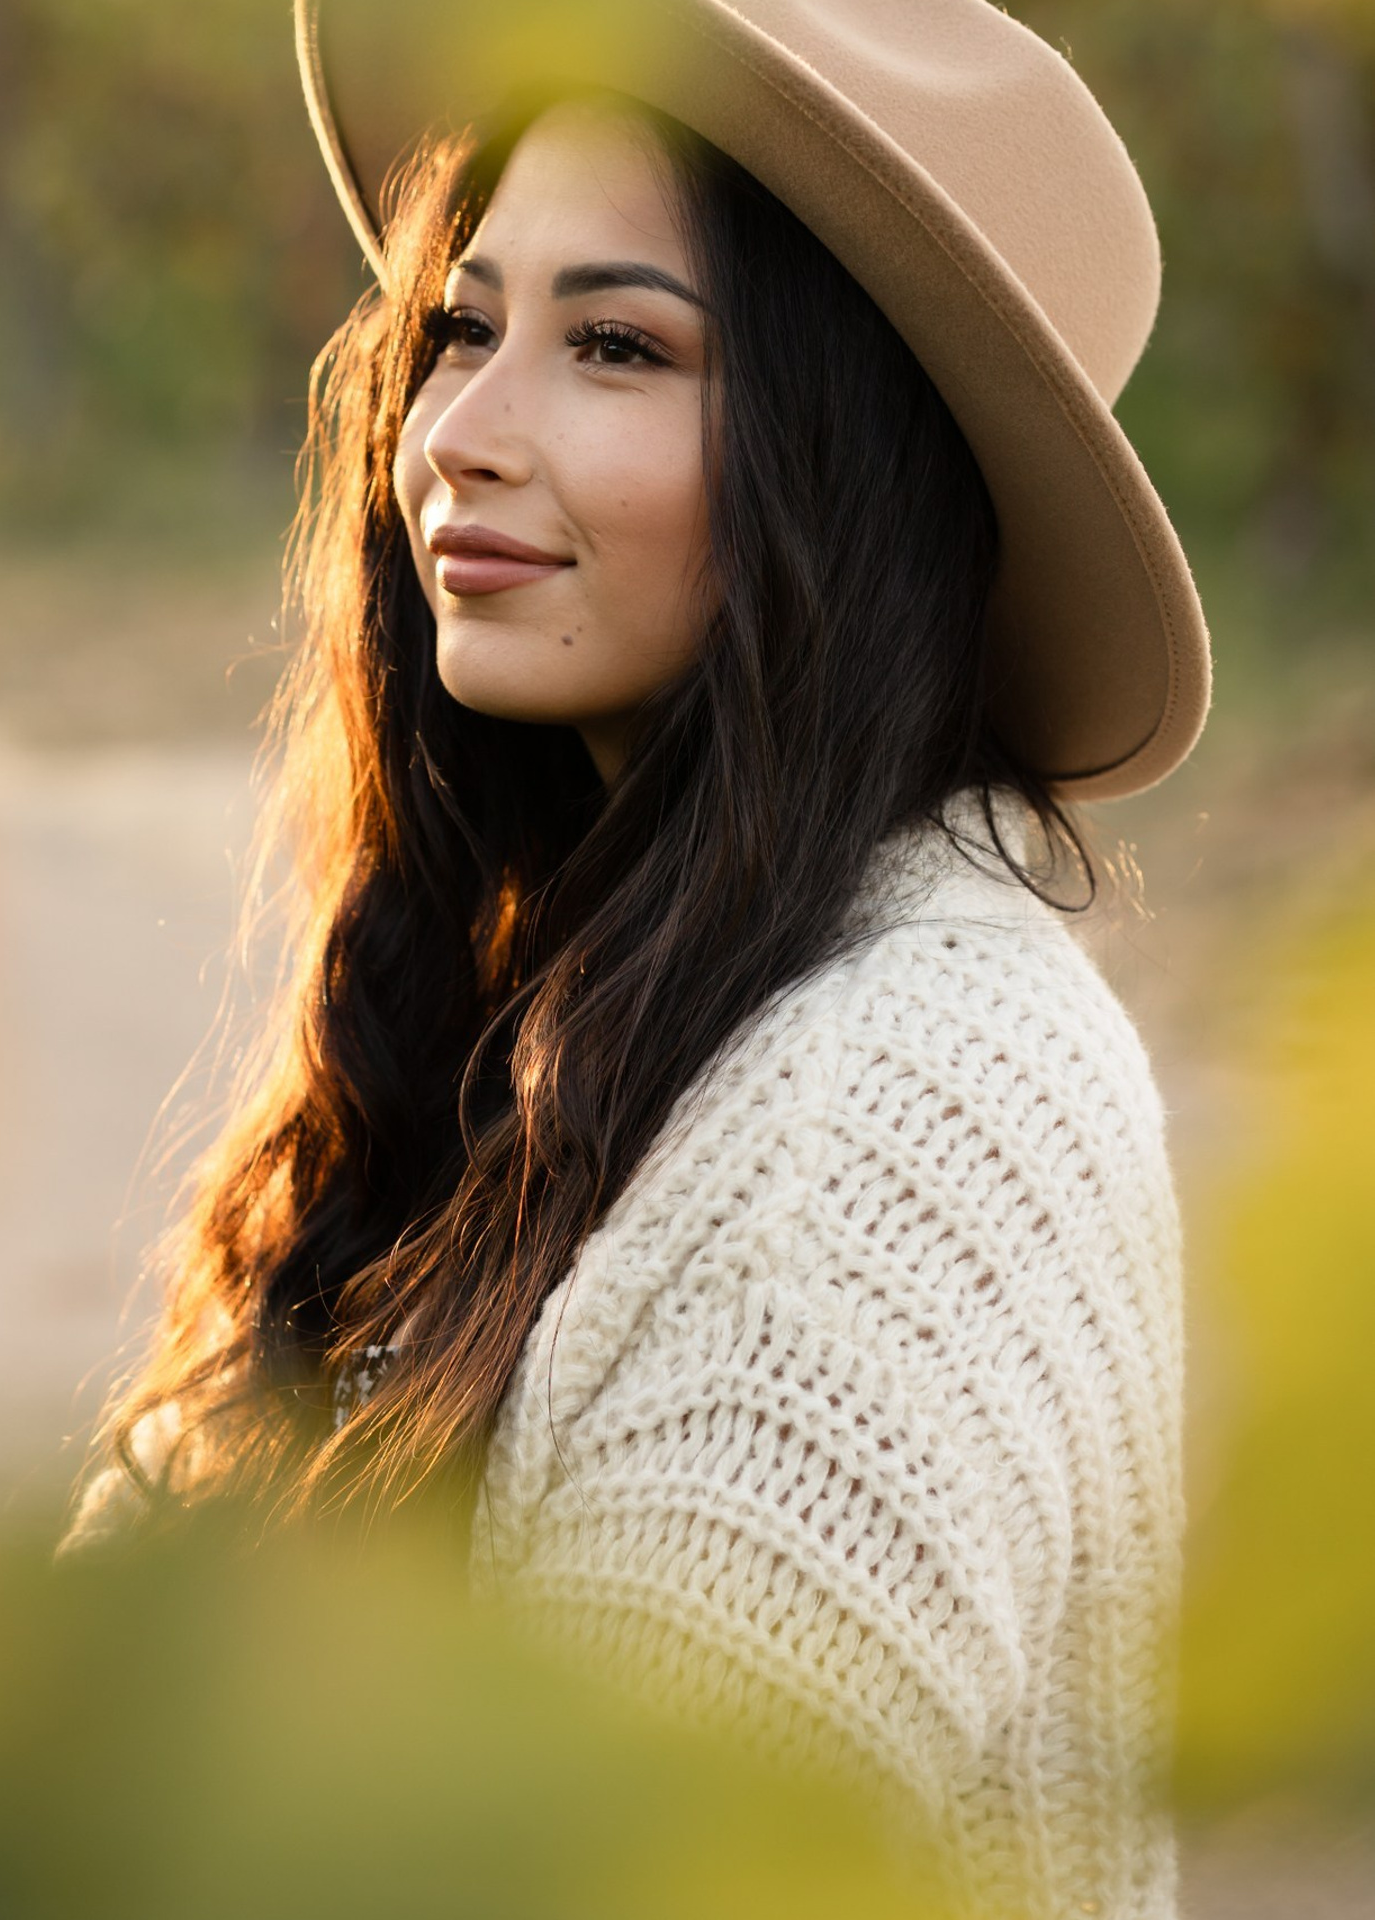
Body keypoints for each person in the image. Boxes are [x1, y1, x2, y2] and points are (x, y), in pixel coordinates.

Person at [67, 5, 1210, 1916]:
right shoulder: (562, 988)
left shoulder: (901, 1115)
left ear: (846, 458)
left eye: (615, 346)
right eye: (461, 325)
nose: (460, 436)